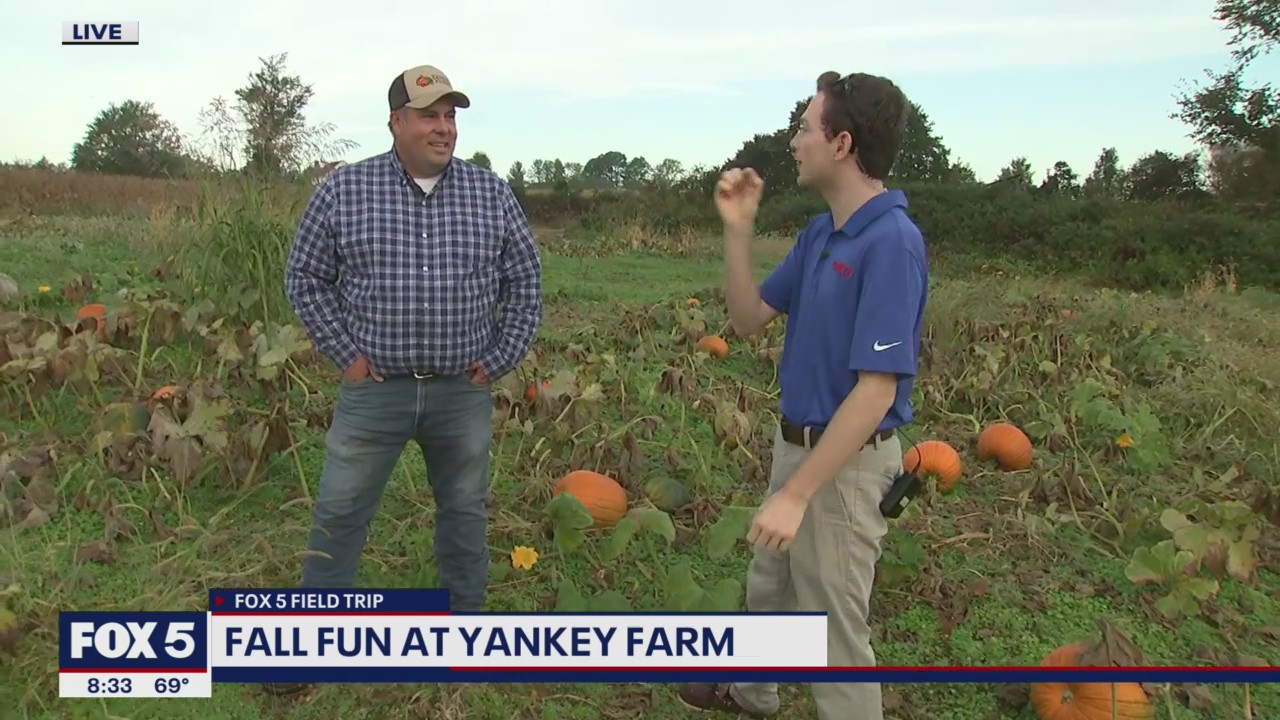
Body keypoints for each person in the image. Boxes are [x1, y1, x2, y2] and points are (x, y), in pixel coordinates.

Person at [677, 71, 927, 720]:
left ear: (841, 143)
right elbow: (748, 318)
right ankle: (754, 694)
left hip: (843, 470)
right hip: (795, 447)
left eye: (805, 128)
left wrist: (797, 494)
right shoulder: (822, 235)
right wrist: (738, 229)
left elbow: (875, 393)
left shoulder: (891, 243)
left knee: (834, 639)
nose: (794, 141)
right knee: (770, 589)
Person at [282, 63, 542, 616]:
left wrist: (499, 358)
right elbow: (304, 275)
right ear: (397, 122)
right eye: (429, 116)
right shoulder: (345, 190)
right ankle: (306, 638)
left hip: (460, 392)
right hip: (376, 391)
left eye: (450, 117)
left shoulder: (490, 193)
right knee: (340, 509)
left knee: (465, 511)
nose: (444, 128)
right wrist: (346, 356)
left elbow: (526, 282)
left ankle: (463, 627)